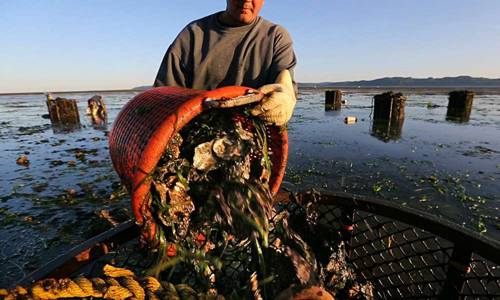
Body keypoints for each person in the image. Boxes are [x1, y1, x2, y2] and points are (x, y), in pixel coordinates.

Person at [154, 0, 297, 126]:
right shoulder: (193, 34)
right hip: (194, 130)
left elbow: (284, 83)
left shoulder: (275, 37)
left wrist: (285, 96)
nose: (246, 0)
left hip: (251, 135)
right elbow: (164, 96)